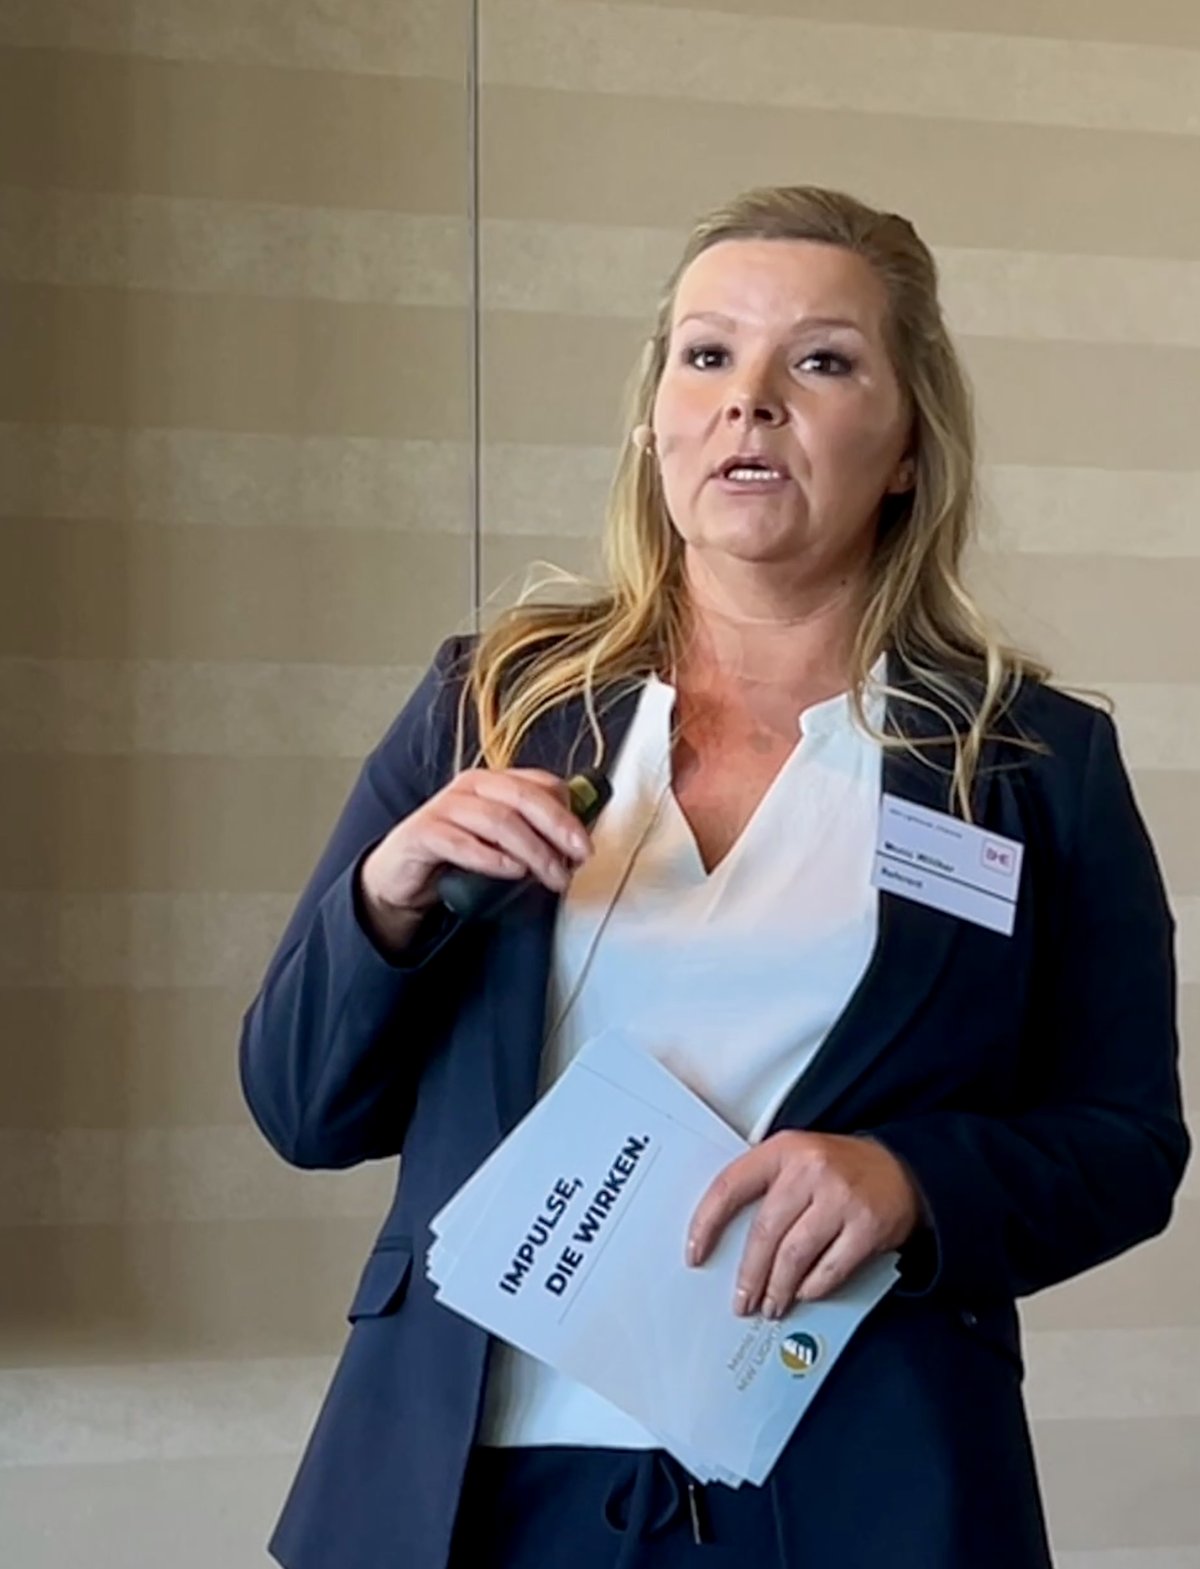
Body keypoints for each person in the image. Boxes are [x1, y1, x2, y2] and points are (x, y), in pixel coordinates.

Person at [239, 185, 1189, 1569]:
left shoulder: (1031, 763)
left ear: (908, 446)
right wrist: (386, 898)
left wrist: (914, 1178)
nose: (751, 399)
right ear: (655, 425)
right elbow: (299, 1106)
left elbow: (1125, 1144)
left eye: (822, 360)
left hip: (861, 1492)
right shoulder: (492, 702)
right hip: (473, 1493)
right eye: (707, 354)